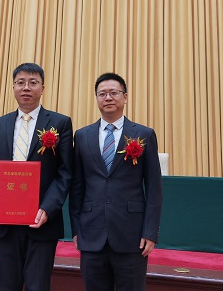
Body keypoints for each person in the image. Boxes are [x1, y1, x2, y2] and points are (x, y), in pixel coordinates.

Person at [0, 62, 73, 291]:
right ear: (13, 87)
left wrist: (48, 208)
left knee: (37, 286)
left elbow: (65, 172)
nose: (26, 87)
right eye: (20, 82)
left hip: (41, 222)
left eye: (33, 82)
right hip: (3, 221)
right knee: (5, 285)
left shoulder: (60, 123)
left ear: (43, 88)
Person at [70, 72, 163, 291]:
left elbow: (154, 189)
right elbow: (77, 187)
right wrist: (76, 230)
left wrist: (150, 232)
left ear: (125, 97)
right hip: (91, 233)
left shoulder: (144, 134)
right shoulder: (82, 136)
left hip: (131, 235)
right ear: (96, 99)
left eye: (114, 93)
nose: (108, 98)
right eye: (102, 94)